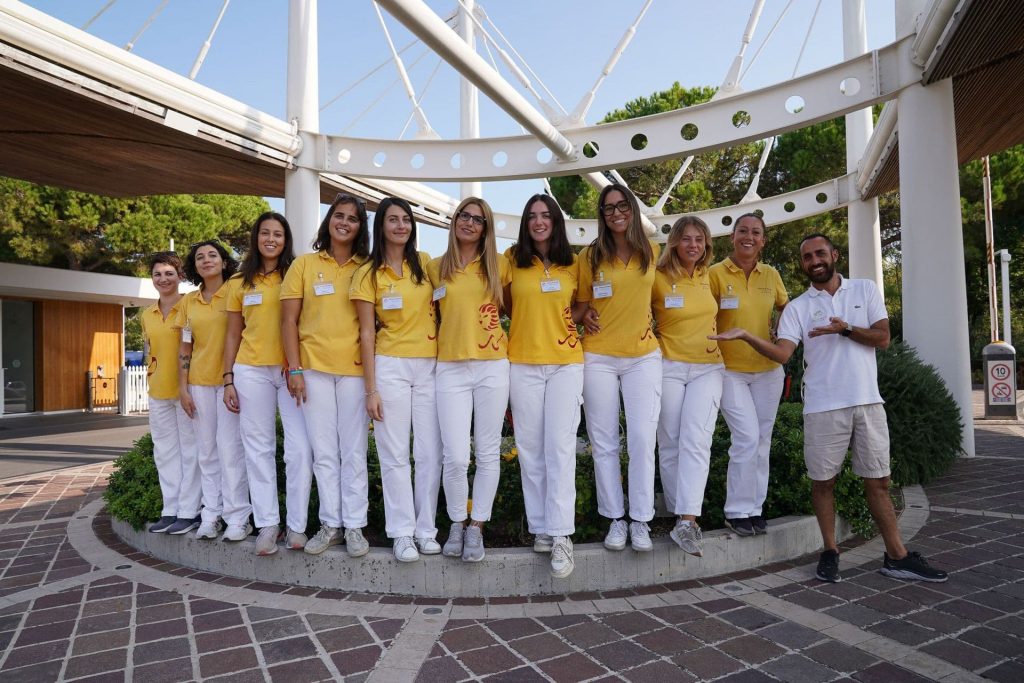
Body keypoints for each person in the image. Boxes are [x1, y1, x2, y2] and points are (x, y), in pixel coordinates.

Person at [711, 234, 948, 583]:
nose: (814, 261)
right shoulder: (798, 308)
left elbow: (882, 338)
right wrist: (746, 335)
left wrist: (846, 329)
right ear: (803, 264)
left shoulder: (865, 290)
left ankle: (897, 556)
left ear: (834, 255)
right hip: (822, 407)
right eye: (807, 257)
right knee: (823, 483)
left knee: (879, 482)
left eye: (820, 253)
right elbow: (782, 354)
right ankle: (830, 551)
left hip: (867, 402)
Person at [351, 197, 442, 563]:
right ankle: (402, 532)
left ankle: (426, 530)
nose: (401, 225)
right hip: (390, 366)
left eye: (406, 219)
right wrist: (370, 389)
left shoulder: (426, 264)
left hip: (430, 365)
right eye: (393, 219)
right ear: (381, 226)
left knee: (429, 452)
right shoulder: (367, 273)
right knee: (395, 454)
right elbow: (366, 332)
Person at [281, 194, 371, 558]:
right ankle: (331, 524)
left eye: (352, 218)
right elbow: (288, 321)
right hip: (313, 370)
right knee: (324, 453)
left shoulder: (367, 267)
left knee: (354, 451)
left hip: (355, 372)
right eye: (339, 215)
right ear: (328, 220)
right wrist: (295, 368)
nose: (344, 222)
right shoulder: (304, 265)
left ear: (360, 227)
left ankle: (355, 526)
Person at [574, 183, 661, 553]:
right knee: (604, 441)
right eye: (608, 208)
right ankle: (615, 519)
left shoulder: (652, 251)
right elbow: (578, 306)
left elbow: (668, 299)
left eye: (622, 205)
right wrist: (584, 314)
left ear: (632, 209)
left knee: (642, 438)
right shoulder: (589, 256)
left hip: (643, 356)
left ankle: (640, 519)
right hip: (598, 357)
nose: (616, 213)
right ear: (601, 215)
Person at [223, 212, 313, 556]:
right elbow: (233, 334)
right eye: (265, 233)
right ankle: (267, 524)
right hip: (251, 370)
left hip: (292, 370)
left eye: (278, 234)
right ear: (256, 238)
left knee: (300, 449)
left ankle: (297, 526)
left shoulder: (297, 274)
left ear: (286, 239)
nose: (271, 239)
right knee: (258, 449)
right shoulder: (239, 282)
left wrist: (296, 367)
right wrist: (228, 378)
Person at [427, 197, 510, 563]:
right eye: (464, 216)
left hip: (493, 365)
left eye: (478, 219)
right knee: (456, 456)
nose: (469, 223)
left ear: (485, 228)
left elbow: (520, 307)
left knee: (488, 452)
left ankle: (477, 526)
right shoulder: (434, 267)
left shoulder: (500, 266)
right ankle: (457, 522)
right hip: (450, 367)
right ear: (455, 220)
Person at [505, 194, 584, 578]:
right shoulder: (511, 259)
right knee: (530, 447)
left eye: (546, 215)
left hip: (566, 363)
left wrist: (572, 320)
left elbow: (582, 305)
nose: (539, 221)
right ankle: (540, 527)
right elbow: (506, 304)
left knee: (560, 446)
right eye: (532, 216)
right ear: (526, 223)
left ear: (556, 221)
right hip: (522, 362)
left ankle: (562, 533)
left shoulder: (574, 263)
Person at [709, 213, 789, 537]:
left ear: (763, 241)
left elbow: (786, 306)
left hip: (769, 371)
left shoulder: (771, 274)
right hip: (729, 371)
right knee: (746, 436)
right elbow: (701, 313)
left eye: (756, 233)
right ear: (732, 237)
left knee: (762, 440)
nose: (749, 237)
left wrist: (781, 328)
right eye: (743, 231)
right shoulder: (715, 274)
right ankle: (736, 511)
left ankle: (754, 508)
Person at [652, 216, 724, 557]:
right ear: (674, 243)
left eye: (699, 239)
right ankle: (678, 512)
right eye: (687, 239)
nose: (693, 245)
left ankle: (687, 520)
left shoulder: (713, 275)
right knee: (669, 441)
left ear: (706, 244)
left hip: (708, 367)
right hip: (667, 365)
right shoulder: (656, 276)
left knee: (697, 439)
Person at [175, 241, 251, 542]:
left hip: (233, 382)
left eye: (212, 255)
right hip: (199, 383)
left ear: (224, 261)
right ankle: (211, 515)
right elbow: (185, 347)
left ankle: (238, 518)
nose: (206, 260)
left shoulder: (236, 289)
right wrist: (183, 388)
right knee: (206, 452)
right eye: (200, 257)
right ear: (194, 266)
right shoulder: (189, 301)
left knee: (231, 450)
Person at [142, 252, 200, 535]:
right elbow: (151, 350)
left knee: (191, 451)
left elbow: (192, 347)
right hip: (158, 391)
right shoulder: (147, 314)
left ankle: (190, 511)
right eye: (157, 274)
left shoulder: (189, 305)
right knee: (164, 452)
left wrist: (185, 387)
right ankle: (171, 509)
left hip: (186, 391)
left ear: (180, 276)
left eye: (169, 273)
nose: (163, 279)